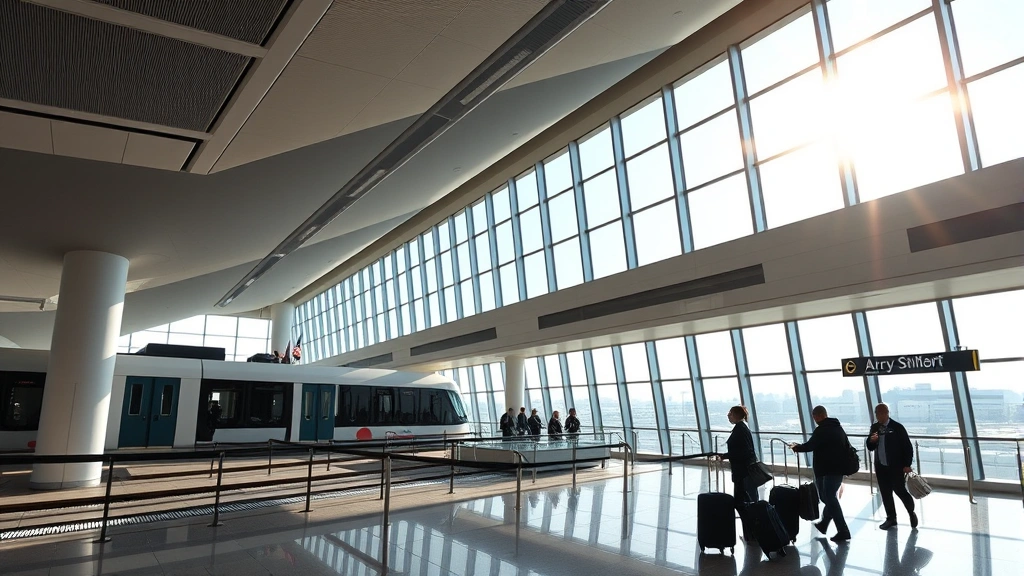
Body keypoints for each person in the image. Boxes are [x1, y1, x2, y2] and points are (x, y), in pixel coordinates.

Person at [790, 405, 852, 543]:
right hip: (838, 469)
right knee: (829, 498)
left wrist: (796, 447)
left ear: (817, 416)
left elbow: (810, 446)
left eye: (814, 417)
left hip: (826, 470)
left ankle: (843, 530)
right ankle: (824, 524)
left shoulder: (821, 430)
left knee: (828, 498)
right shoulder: (838, 428)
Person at [867, 403, 917, 530]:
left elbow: (907, 447)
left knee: (900, 491)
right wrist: (871, 441)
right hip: (881, 466)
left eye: (882, 413)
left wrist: (907, 464)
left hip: (895, 467)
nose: (880, 416)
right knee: (885, 493)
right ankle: (891, 518)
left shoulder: (897, 427)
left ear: (887, 413)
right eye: (877, 414)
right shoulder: (875, 427)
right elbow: (870, 447)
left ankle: (911, 512)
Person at [717, 405, 758, 512]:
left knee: (742, 500)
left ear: (736, 415)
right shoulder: (741, 428)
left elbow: (743, 452)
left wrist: (726, 455)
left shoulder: (740, 430)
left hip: (742, 471)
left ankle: (749, 521)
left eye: (730, 413)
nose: (728, 415)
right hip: (743, 471)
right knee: (744, 498)